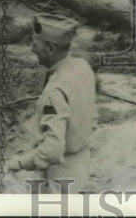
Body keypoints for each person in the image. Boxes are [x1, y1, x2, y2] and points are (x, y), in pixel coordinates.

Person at [8, 15, 97, 193]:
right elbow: (92, 118)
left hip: (60, 178)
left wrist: (19, 163)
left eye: (36, 44)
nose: (32, 49)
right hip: (81, 165)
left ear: (50, 48)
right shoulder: (82, 66)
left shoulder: (55, 91)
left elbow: (53, 150)